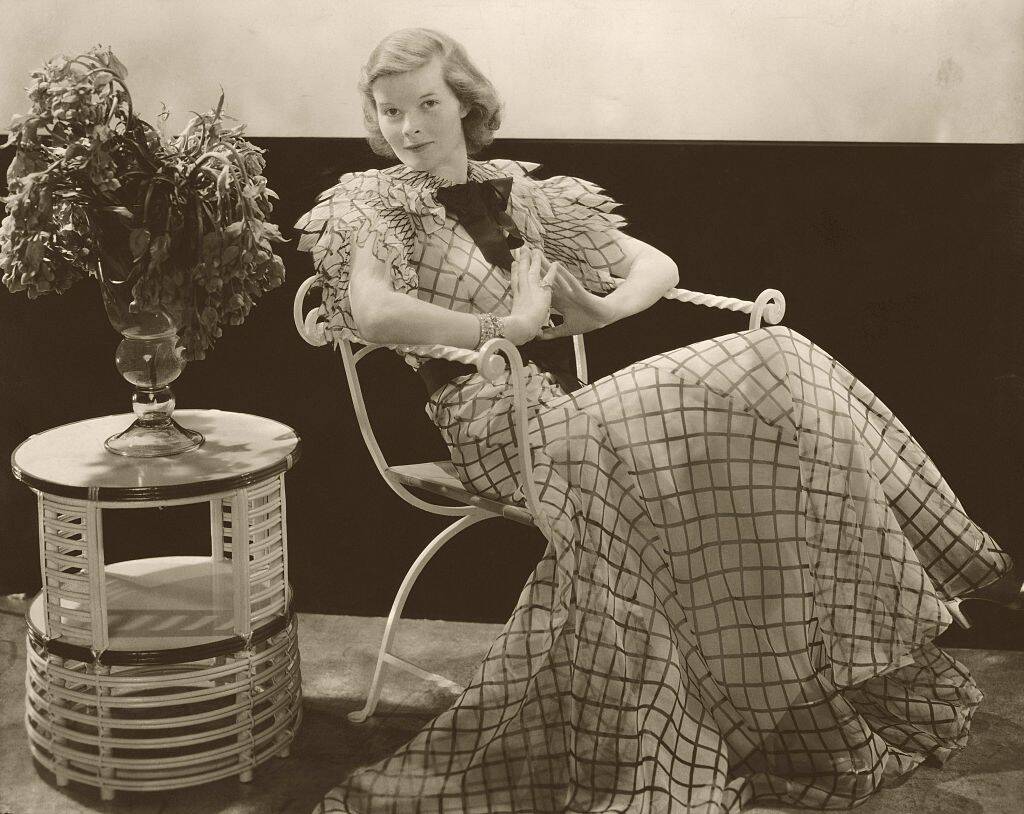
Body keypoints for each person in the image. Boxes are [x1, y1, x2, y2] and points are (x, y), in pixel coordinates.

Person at [295, 28, 1020, 814]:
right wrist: (505, 326)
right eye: (391, 110)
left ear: (465, 102)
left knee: (775, 386)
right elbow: (372, 310)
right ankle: (947, 555)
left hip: (567, 418)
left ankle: (805, 665)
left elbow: (657, 267)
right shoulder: (371, 204)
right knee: (775, 361)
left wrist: (599, 309)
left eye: (427, 104)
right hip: (498, 432)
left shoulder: (520, 194)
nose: (408, 128)